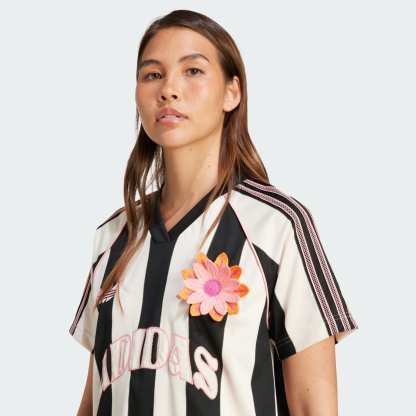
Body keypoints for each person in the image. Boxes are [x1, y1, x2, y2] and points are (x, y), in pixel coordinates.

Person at [69, 9, 359, 416]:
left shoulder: (275, 227)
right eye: (153, 74)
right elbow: (95, 398)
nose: (169, 89)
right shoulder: (113, 236)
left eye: (192, 71)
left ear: (231, 92)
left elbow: (314, 406)